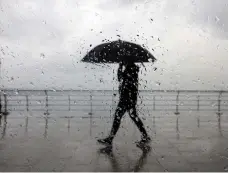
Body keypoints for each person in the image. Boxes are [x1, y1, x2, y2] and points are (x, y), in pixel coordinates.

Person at [98, 61, 151, 145]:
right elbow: (121, 79)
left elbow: (123, 80)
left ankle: (110, 139)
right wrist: (120, 67)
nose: (123, 61)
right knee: (133, 117)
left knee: (118, 117)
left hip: (127, 98)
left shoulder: (131, 69)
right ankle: (145, 136)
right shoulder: (130, 68)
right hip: (128, 98)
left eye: (124, 60)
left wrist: (120, 67)